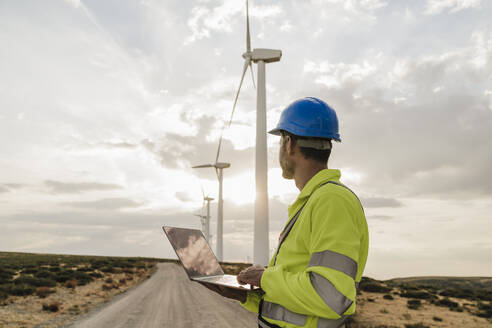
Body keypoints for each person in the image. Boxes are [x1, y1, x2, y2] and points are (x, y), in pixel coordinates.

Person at [200, 97, 369, 328]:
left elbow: (330, 296)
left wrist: (264, 277)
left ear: (288, 143)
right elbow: (296, 299)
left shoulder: (331, 201)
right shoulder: (313, 202)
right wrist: (246, 296)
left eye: (280, 142)